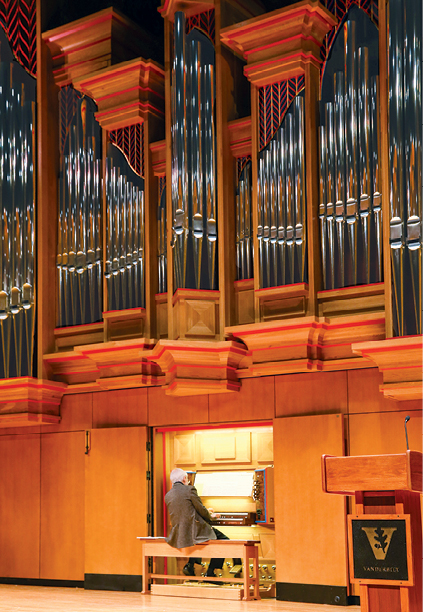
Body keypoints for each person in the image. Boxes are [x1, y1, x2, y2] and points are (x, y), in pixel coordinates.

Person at [164, 467, 242, 580]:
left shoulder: (168, 495)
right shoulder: (190, 489)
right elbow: (200, 510)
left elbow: (187, 510)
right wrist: (211, 516)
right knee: (224, 541)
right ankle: (211, 572)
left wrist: (205, 512)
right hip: (195, 530)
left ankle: (190, 565)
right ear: (184, 479)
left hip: (179, 532)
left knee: (199, 541)